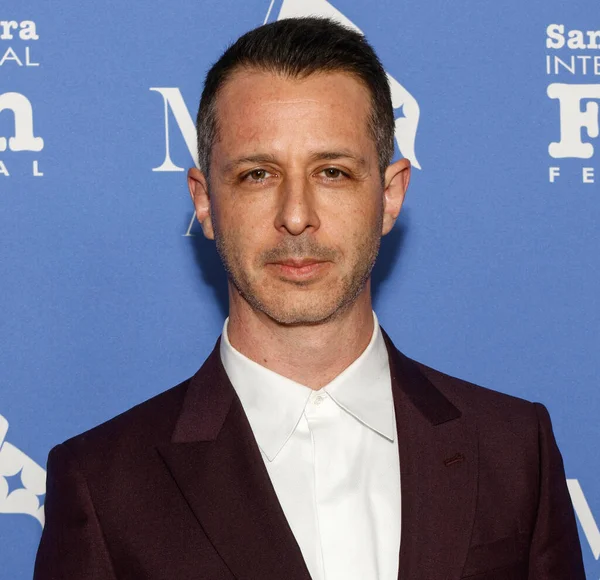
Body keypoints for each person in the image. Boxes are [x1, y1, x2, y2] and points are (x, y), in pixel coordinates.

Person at [34, 17, 585, 580]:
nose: (296, 216)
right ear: (204, 202)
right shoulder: (104, 484)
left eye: (332, 171)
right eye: (257, 175)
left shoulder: (515, 451)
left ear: (390, 195)